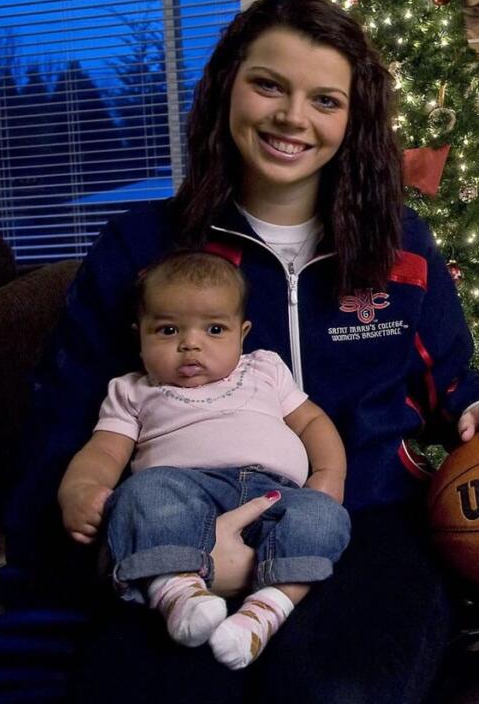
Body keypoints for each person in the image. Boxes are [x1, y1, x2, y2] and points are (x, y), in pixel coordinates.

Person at [5, 0, 479, 703]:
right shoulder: (139, 248)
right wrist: (127, 543)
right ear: (226, 87)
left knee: (338, 694)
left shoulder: (402, 247)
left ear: (352, 120)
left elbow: (449, 379)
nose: (293, 118)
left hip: (365, 521)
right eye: (269, 85)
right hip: (175, 524)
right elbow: (64, 425)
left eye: (325, 100)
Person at [58, 251, 351, 670]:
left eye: (214, 329)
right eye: (167, 329)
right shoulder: (133, 392)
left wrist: (329, 474)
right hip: (184, 489)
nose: (190, 343)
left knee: (324, 516)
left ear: (242, 333)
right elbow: (105, 450)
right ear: (138, 335)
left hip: (275, 494)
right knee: (142, 492)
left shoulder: (264, 369)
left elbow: (311, 422)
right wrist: (80, 489)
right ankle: (177, 593)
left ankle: (265, 611)